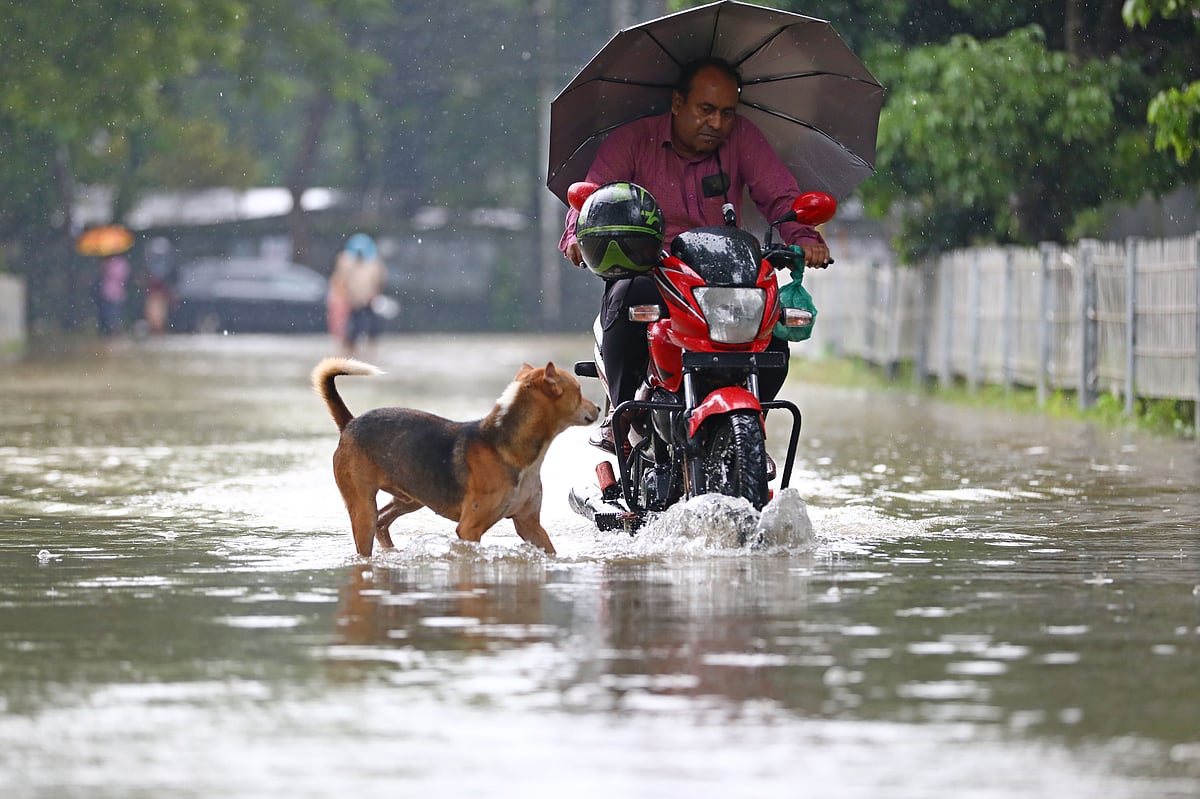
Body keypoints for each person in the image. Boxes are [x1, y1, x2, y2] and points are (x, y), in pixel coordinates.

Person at [559, 57, 833, 449]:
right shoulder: (634, 141)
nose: (717, 123)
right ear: (677, 103)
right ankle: (622, 417)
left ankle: (751, 427)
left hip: (723, 277)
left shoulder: (743, 139)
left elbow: (781, 197)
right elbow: (593, 195)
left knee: (771, 333)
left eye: (726, 112)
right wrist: (577, 235)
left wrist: (804, 235)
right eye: (706, 110)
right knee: (627, 294)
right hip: (654, 274)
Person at [330, 233, 387, 356]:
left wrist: (374, 294)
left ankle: (370, 346)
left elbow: (379, 281)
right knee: (353, 327)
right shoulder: (346, 262)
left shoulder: (374, 263)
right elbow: (340, 281)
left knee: (372, 326)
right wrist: (346, 296)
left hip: (369, 300)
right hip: (353, 301)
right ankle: (350, 348)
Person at [94, 253, 130, 337]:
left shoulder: (120, 263)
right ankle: (109, 332)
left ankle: (115, 332)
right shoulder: (107, 262)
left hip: (116, 293)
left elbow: (121, 276)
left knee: (115, 314)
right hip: (107, 293)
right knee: (107, 314)